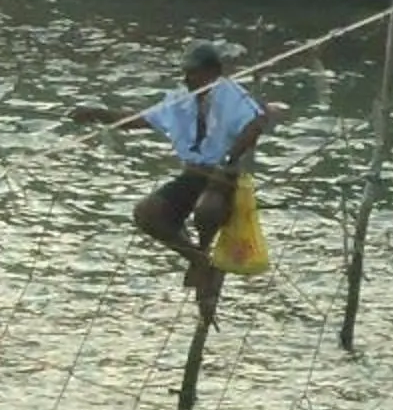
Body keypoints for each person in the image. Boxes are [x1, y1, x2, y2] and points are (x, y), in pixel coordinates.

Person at [71, 41, 270, 287]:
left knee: (206, 210)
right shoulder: (179, 99)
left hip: (223, 176)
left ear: (212, 72)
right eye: (185, 73)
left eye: (193, 73)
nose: (187, 79)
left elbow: (256, 122)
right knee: (146, 213)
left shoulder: (233, 94)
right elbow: (139, 120)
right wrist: (98, 114)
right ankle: (197, 258)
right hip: (193, 173)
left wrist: (231, 157)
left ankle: (205, 257)